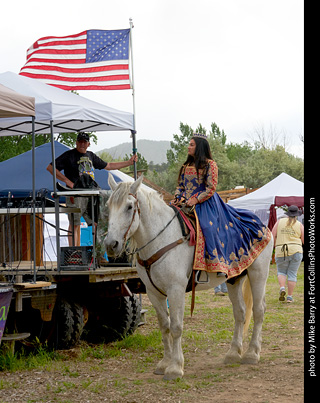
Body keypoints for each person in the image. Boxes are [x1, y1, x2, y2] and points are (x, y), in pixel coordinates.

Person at [171, 133, 271, 280]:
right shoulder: (185, 166)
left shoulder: (210, 165)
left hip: (205, 203)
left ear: (199, 147)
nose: (188, 147)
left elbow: (210, 188)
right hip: (184, 202)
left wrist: (195, 200)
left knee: (208, 228)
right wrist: (178, 197)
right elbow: (180, 186)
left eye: (192, 145)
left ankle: (218, 263)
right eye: (189, 144)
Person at [47, 132, 138, 246]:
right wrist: (67, 182)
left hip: (91, 194)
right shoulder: (69, 155)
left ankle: (97, 255)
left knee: (97, 223)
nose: (82, 144)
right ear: (76, 142)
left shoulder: (91, 155)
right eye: (80, 141)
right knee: (75, 223)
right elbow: (50, 168)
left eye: (84, 142)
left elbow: (108, 166)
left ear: (88, 144)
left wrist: (128, 162)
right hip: (76, 195)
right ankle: (74, 252)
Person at [272, 205, 304, 303]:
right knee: (292, 274)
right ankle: (289, 297)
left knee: (281, 271)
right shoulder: (299, 224)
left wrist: (274, 247)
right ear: (296, 215)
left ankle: (282, 288)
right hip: (296, 250)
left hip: (281, 250)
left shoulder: (279, 222)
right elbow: (303, 240)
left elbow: (272, 235)